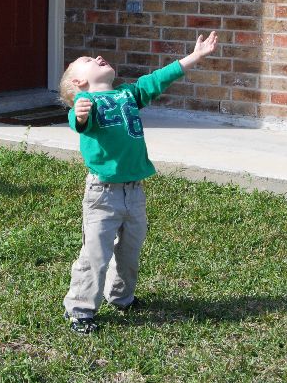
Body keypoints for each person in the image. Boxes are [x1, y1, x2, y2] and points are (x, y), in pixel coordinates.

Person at [59, 32, 218, 333]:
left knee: (130, 250)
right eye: (88, 60)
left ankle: (120, 297)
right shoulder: (86, 102)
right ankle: (80, 310)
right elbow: (79, 122)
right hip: (103, 194)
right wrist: (78, 114)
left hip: (134, 192)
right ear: (79, 82)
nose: (97, 57)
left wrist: (194, 57)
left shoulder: (127, 95)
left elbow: (157, 80)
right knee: (95, 254)